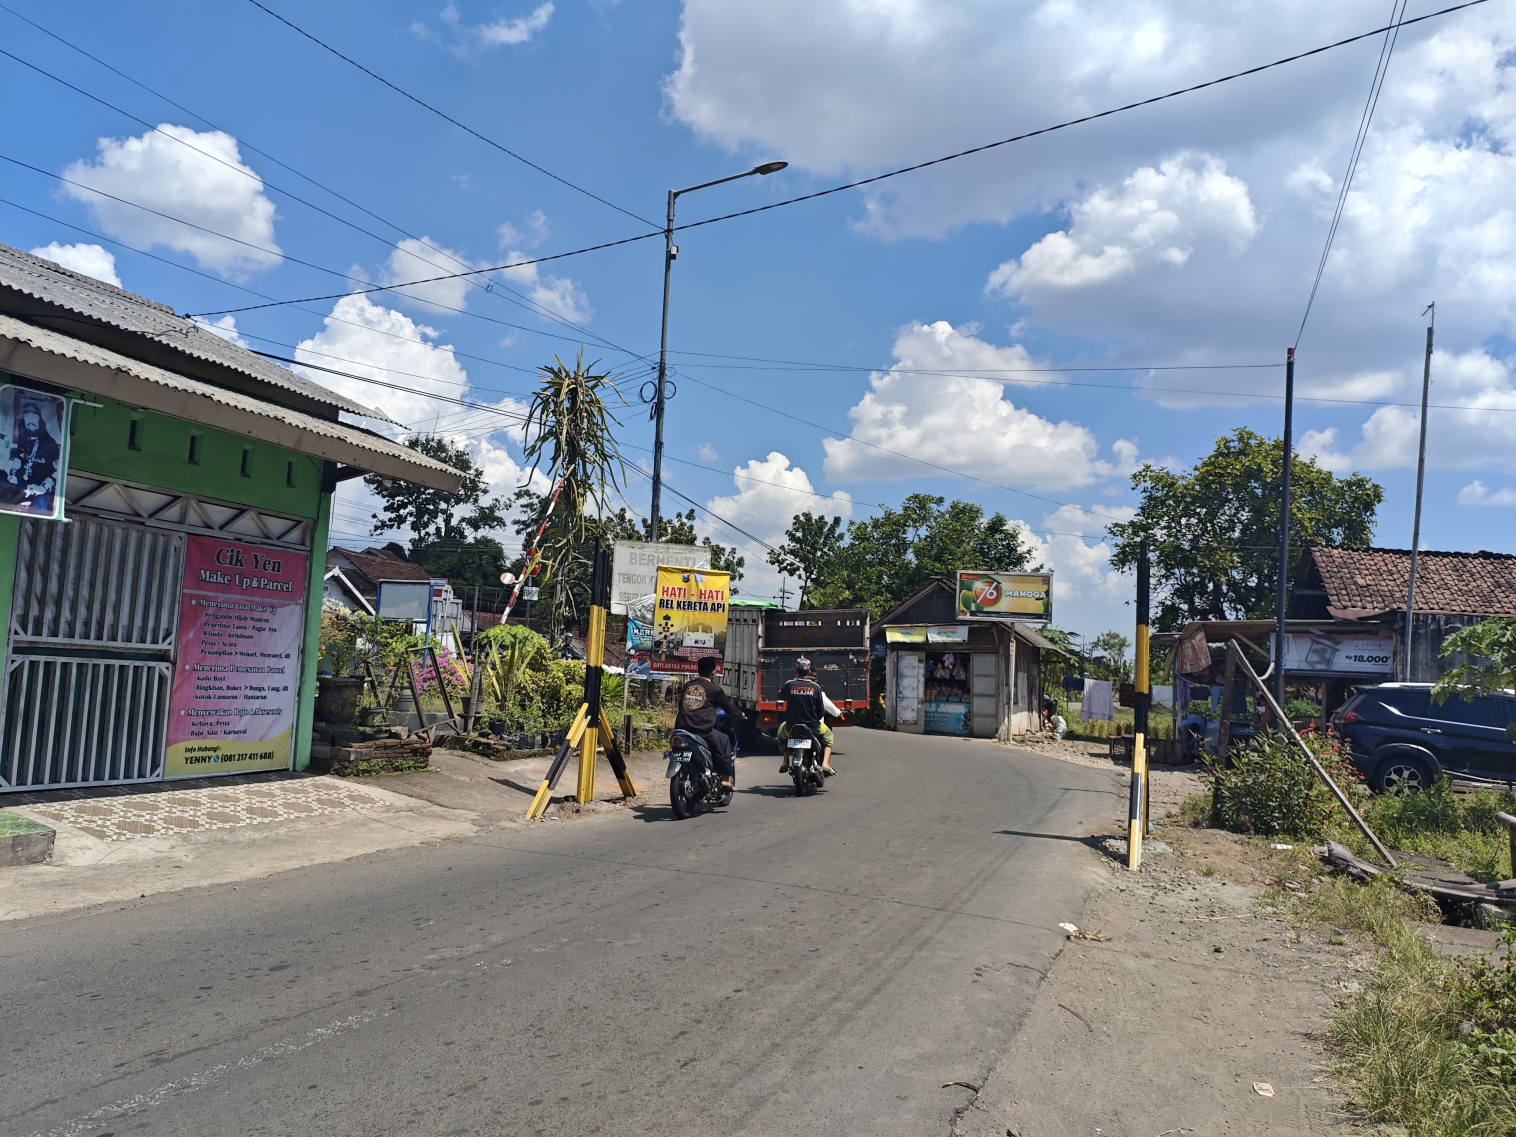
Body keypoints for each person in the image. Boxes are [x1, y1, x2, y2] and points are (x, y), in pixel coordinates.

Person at [673, 655, 740, 788]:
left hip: (681, 729)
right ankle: (726, 777)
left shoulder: (688, 685)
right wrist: (739, 714)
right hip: (702, 730)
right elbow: (728, 706)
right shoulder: (714, 689)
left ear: (698, 670)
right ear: (713, 672)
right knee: (724, 739)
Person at [777, 656, 841, 776]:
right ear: (809, 671)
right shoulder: (816, 688)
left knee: (781, 733)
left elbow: (781, 697)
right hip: (813, 727)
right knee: (829, 736)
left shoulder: (789, 685)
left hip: (791, 727)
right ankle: (826, 763)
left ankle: (785, 761)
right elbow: (820, 711)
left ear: (795, 670)